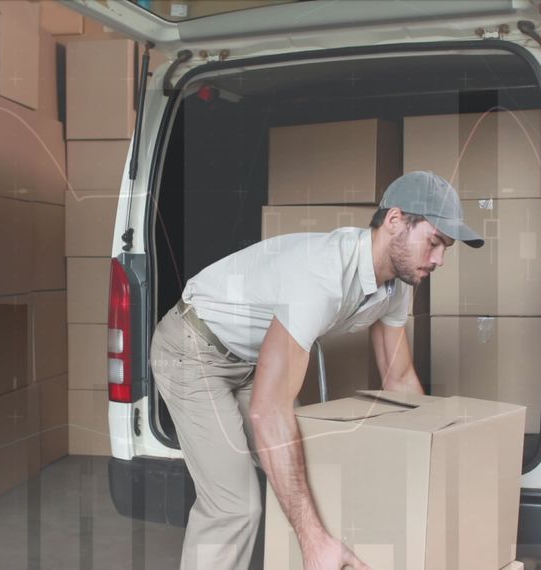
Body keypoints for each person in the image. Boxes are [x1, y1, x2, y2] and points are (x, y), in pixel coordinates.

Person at [149, 171, 484, 569]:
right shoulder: (322, 273)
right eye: (434, 242)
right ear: (395, 221)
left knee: (314, 468)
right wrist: (313, 541)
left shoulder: (398, 285)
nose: (439, 259)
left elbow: (399, 379)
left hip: (249, 360)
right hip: (193, 351)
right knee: (235, 507)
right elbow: (268, 410)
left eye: (445, 248)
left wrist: (436, 468)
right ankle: (316, 552)